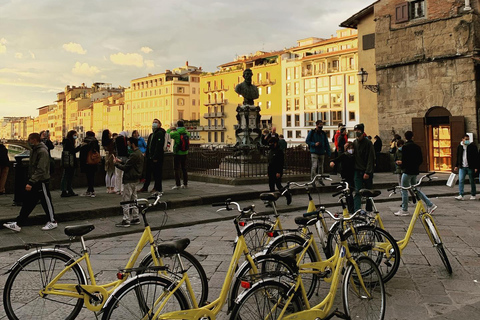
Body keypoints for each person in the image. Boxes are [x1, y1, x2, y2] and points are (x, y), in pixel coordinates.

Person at [3, 133, 57, 232]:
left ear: (34, 140)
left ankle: (52, 221)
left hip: (41, 181)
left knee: (46, 201)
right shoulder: (35, 150)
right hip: (36, 180)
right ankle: (18, 223)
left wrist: (31, 182)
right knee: (28, 203)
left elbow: (41, 169)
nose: (28, 141)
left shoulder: (42, 151)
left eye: (29, 139)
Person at [395, 131, 437, 216]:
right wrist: (415, 166)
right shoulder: (417, 147)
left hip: (407, 171)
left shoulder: (405, 147)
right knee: (415, 189)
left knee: (404, 189)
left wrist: (401, 163)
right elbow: (420, 159)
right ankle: (430, 204)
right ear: (413, 137)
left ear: (406, 137)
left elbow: (405, 160)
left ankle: (404, 209)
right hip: (415, 171)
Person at [114, 137, 144, 227]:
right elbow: (129, 163)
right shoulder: (139, 153)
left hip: (129, 179)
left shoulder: (134, 154)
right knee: (134, 199)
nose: (128, 145)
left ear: (133, 144)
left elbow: (126, 167)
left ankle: (126, 219)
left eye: (129, 144)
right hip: (135, 179)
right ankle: (135, 217)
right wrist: (121, 161)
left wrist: (116, 164)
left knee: (126, 200)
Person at [352, 123, 375, 212]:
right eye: (355, 131)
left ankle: (369, 209)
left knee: (368, 191)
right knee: (357, 191)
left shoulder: (368, 143)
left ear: (362, 131)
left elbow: (371, 158)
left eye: (358, 131)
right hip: (357, 170)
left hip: (366, 171)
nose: (356, 132)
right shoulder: (355, 142)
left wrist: (368, 172)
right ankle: (357, 210)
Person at [139, 119, 166, 193]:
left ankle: (157, 188)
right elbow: (148, 146)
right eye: (153, 122)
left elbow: (159, 146)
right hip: (149, 157)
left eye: (156, 122)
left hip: (156, 158)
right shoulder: (151, 135)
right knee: (148, 173)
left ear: (159, 124)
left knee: (157, 173)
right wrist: (147, 154)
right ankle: (145, 187)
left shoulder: (160, 133)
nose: (154, 124)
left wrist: (155, 157)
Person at [330, 141, 355, 212]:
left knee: (350, 192)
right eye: (349, 148)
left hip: (352, 176)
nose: (351, 150)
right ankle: (351, 209)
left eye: (351, 148)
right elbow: (336, 160)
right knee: (348, 193)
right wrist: (332, 162)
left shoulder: (354, 156)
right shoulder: (344, 155)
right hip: (346, 176)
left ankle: (352, 208)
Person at [266, 137, 292, 204]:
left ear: (275, 143)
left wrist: (278, 172)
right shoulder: (271, 151)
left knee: (278, 185)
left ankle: (287, 195)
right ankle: (272, 201)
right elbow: (269, 162)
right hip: (271, 170)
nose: (270, 145)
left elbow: (280, 163)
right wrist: (268, 171)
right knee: (271, 186)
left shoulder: (279, 151)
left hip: (276, 170)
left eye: (271, 143)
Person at [305, 120, 331, 185]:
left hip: (321, 152)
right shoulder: (312, 132)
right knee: (314, 166)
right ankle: (313, 180)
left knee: (321, 167)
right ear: (316, 125)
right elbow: (307, 141)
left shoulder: (323, 133)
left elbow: (326, 143)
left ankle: (320, 179)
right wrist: (314, 144)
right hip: (314, 151)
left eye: (321, 124)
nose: (321, 126)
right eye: (319, 124)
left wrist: (328, 152)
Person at [453, 134, 479, 200]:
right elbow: (458, 156)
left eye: (468, 139)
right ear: (462, 139)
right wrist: (456, 165)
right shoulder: (460, 147)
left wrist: (476, 167)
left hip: (470, 166)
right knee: (461, 180)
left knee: (471, 180)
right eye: (465, 139)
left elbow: (476, 157)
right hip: (462, 166)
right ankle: (461, 194)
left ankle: (473, 194)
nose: (467, 141)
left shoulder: (472, 146)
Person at [168, 120, 190, 189]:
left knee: (177, 169)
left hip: (177, 153)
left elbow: (167, 135)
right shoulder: (187, 133)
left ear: (177, 125)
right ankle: (185, 184)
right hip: (185, 152)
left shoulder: (176, 133)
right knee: (184, 169)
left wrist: (170, 129)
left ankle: (178, 185)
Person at [79, 131, 100, 198]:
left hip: (87, 162)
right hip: (94, 161)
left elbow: (82, 152)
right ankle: (91, 190)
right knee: (92, 176)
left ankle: (90, 190)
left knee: (88, 176)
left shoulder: (85, 142)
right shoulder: (96, 142)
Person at [60, 130, 80, 197]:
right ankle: (65, 190)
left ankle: (68, 190)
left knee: (69, 176)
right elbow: (72, 151)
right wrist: (80, 147)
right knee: (67, 176)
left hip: (68, 161)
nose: (76, 136)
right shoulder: (68, 142)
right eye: (75, 135)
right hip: (69, 162)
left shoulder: (67, 141)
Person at [102, 129, 116, 194]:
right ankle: (112, 188)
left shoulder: (104, 142)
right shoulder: (112, 141)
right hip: (112, 156)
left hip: (107, 156)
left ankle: (108, 188)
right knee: (114, 172)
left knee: (108, 173)